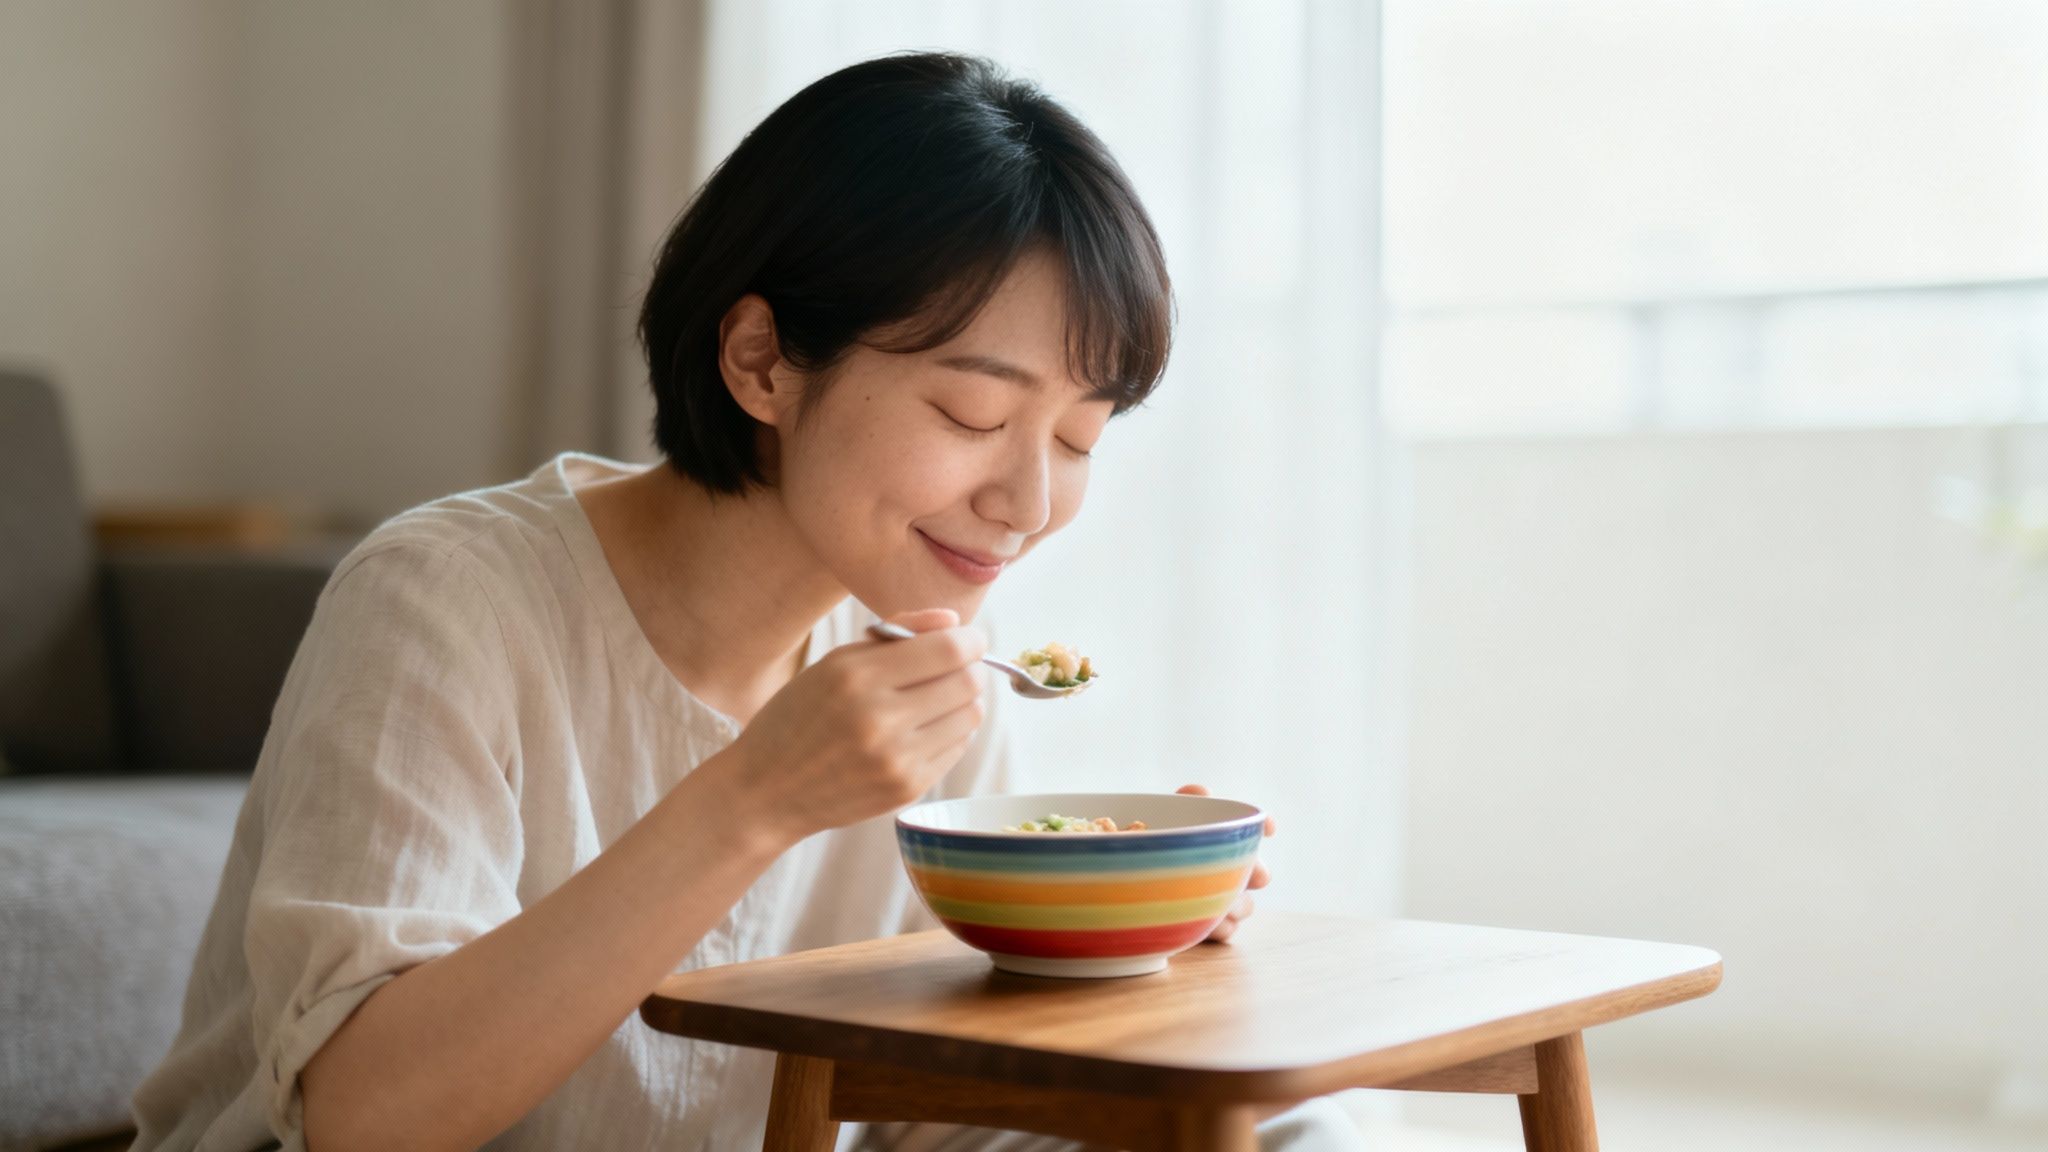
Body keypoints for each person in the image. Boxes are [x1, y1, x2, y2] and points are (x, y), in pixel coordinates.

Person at [129, 52, 1364, 1151]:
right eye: (972, 416)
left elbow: (927, 1116)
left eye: (1082, 438)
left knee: (1289, 1125)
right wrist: (757, 798)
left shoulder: (925, 674)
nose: (1028, 501)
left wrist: (1122, 958)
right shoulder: (450, 600)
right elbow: (365, 1116)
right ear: (761, 360)